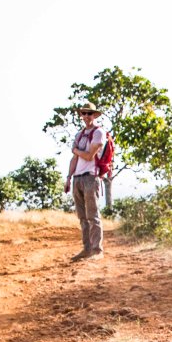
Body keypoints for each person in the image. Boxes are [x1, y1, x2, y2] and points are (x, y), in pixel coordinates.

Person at [65, 101, 106, 260]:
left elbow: (89, 155)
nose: (87, 116)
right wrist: (68, 177)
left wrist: (75, 150)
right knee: (82, 216)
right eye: (84, 113)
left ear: (95, 115)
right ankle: (87, 248)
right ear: (81, 115)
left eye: (90, 113)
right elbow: (75, 159)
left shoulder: (98, 133)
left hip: (91, 176)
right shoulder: (80, 134)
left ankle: (97, 250)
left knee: (93, 215)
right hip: (77, 178)